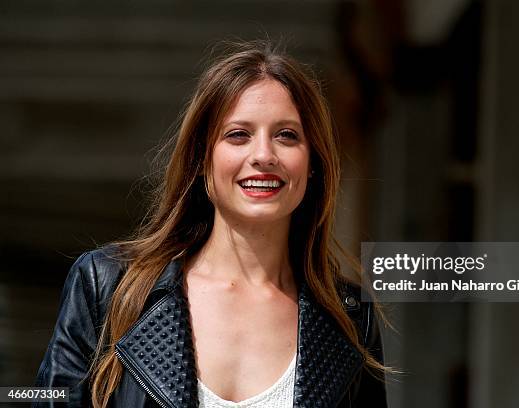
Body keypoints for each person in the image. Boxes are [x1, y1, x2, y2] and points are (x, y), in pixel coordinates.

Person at [34, 41, 389, 408]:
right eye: (238, 135)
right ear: (203, 158)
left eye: (287, 135)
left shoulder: (351, 319)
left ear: (312, 163)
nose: (264, 155)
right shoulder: (106, 288)